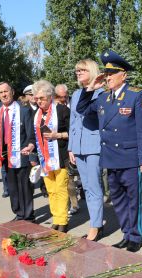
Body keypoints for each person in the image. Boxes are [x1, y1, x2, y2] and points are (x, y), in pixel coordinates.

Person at [77, 49, 142, 252]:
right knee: (118, 200)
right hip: (110, 158)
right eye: (106, 74)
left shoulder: (136, 96)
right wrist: (90, 87)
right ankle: (126, 233)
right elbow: (82, 109)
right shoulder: (103, 99)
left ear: (123, 75)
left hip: (130, 157)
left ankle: (135, 237)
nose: (108, 77)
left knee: (133, 199)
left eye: (112, 73)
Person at [68, 59, 105, 241]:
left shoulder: (101, 93)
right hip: (78, 146)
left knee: (93, 187)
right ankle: (96, 222)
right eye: (77, 70)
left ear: (92, 71)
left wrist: (91, 89)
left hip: (93, 145)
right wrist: (70, 148)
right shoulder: (76, 94)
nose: (78, 73)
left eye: (82, 70)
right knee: (86, 187)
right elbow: (73, 122)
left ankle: (95, 226)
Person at [0, 82, 36, 222]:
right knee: (12, 187)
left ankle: (28, 216)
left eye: (6, 91)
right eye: (1, 92)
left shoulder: (24, 110)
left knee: (24, 186)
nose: (4, 94)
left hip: (21, 152)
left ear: (12, 92)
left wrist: (31, 148)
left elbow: (30, 133)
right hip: (5, 155)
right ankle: (18, 213)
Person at [33, 80, 71, 232]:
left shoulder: (62, 110)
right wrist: (30, 146)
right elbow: (32, 136)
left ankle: (63, 221)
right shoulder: (36, 114)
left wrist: (58, 135)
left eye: (41, 98)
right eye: (36, 98)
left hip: (60, 157)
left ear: (50, 97)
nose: (39, 101)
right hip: (45, 159)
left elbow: (72, 133)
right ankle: (56, 218)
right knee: (51, 190)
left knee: (61, 189)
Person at [56, 84, 79, 215]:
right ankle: (73, 204)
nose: (63, 99)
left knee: (77, 177)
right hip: (63, 148)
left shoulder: (74, 103)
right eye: (60, 97)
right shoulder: (56, 108)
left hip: (77, 146)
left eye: (65, 96)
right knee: (68, 179)